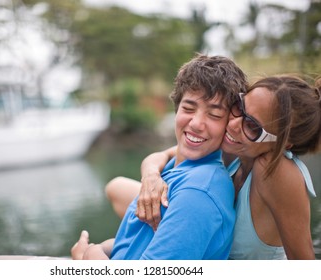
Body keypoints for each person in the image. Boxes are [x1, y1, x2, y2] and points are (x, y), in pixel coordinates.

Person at [106, 75, 321, 259]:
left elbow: (303, 263)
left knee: (106, 246)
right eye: (240, 107)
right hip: (205, 242)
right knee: (116, 187)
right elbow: (162, 155)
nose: (234, 124)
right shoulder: (233, 145)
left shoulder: (276, 170)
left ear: (284, 144)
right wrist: (151, 178)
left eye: (252, 126)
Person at [71, 54, 248, 260]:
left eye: (215, 115)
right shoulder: (178, 168)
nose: (196, 123)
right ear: (176, 108)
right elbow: (136, 242)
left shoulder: (199, 191)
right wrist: (104, 248)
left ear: (229, 124)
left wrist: (89, 257)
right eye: (188, 108)